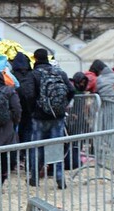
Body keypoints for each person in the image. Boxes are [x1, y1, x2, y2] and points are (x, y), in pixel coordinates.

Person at [27, 48, 75, 189]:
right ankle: (60, 178)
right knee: (56, 146)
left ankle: (35, 177)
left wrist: (33, 110)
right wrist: (62, 105)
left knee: (37, 146)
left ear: (35, 59)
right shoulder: (59, 72)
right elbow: (71, 90)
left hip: (39, 117)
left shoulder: (34, 74)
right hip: (58, 116)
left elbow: (29, 94)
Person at [11, 52, 35, 146]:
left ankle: (18, 152)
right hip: (30, 108)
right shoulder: (31, 74)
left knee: (16, 130)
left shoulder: (12, 75)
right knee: (28, 130)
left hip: (17, 107)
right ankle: (27, 151)